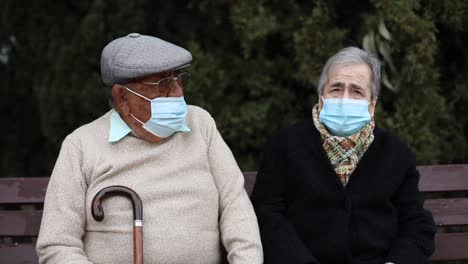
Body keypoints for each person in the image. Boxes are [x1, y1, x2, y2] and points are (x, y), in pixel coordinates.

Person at [36, 33, 263, 264]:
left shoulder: (201, 124)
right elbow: (57, 245)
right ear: (122, 96)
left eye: (179, 79)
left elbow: (235, 205)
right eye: (163, 83)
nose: (178, 93)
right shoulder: (82, 145)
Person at [251, 47, 436, 264]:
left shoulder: (396, 154)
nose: (344, 98)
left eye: (357, 91)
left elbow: (416, 224)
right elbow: (267, 215)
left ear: (372, 105)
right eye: (336, 89)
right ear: (321, 99)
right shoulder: (284, 145)